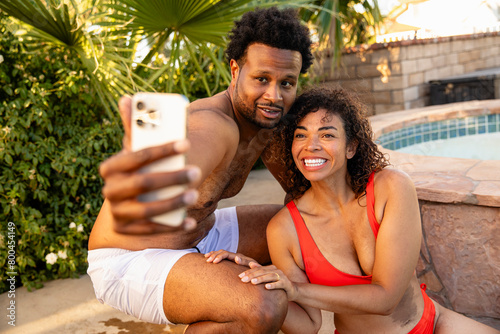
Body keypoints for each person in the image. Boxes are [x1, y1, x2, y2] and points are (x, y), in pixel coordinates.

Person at [87, 7, 314, 333]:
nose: (274, 95)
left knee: (301, 226)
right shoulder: (213, 125)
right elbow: (162, 181)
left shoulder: (269, 122)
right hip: (128, 258)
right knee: (263, 305)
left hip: (202, 235)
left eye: (286, 83)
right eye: (262, 79)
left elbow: (304, 197)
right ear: (235, 70)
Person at [206, 87, 500, 333]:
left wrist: (297, 289)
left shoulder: (390, 188)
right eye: (300, 135)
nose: (311, 146)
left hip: (432, 324)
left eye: (327, 135)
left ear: (351, 147)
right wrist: (257, 280)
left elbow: (386, 298)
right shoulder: (284, 229)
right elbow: (309, 324)